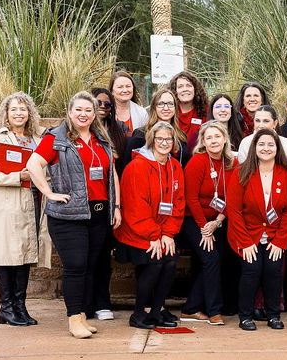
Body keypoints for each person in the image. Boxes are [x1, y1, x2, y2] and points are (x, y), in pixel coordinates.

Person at [27, 91, 120, 339]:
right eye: (78, 109)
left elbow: (111, 175)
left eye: (88, 110)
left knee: (88, 266)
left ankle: (81, 317)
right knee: (75, 266)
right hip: (68, 215)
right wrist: (49, 193)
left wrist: (116, 206)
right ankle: (73, 319)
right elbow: (33, 165)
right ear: (70, 112)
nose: (83, 114)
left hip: (98, 214)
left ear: (94, 114)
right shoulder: (57, 138)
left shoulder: (100, 139)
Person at [0, 92, 51, 327]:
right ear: (6, 114)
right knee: (7, 255)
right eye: (14, 109)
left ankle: (20, 307)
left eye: (23, 109)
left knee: (25, 256)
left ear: (30, 112)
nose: (19, 113)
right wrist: (16, 176)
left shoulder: (38, 138)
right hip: (9, 205)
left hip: (33, 201)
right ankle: (6, 308)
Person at [113, 121, 186, 329]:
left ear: (174, 143)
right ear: (152, 141)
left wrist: (168, 233)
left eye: (168, 139)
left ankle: (155, 311)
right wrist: (154, 235)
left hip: (163, 231)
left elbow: (179, 203)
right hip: (137, 231)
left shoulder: (174, 166)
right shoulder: (137, 166)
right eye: (160, 139)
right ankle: (138, 314)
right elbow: (136, 207)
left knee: (170, 262)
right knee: (156, 262)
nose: (164, 143)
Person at [227, 129, 287, 331]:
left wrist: (279, 241)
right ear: (254, 148)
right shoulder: (240, 173)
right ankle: (245, 316)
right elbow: (233, 211)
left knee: (273, 271)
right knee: (251, 270)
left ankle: (273, 315)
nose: (266, 148)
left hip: (275, 235)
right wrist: (246, 242)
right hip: (247, 234)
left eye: (270, 144)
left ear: (277, 148)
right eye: (261, 144)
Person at [179, 121, 238, 325]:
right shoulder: (198, 161)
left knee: (215, 260)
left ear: (225, 139)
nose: (214, 141)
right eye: (209, 138)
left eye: (217, 136)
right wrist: (205, 228)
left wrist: (217, 222)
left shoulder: (232, 163)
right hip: (192, 219)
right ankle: (214, 311)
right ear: (203, 142)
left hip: (218, 220)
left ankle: (191, 308)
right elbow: (191, 198)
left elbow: (234, 198)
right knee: (211, 258)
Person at [90, 87, 126, 321]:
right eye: (98, 103)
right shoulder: (78, 131)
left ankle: (102, 301)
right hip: (85, 201)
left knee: (103, 255)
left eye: (107, 104)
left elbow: (116, 169)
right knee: (84, 256)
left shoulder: (118, 132)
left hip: (109, 199)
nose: (103, 107)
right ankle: (85, 302)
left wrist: (118, 205)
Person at [124, 88, 190, 170]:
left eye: (170, 104)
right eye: (161, 104)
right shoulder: (141, 135)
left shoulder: (181, 135)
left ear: (175, 108)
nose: (166, 108)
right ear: (154, 107)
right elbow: (129, 167)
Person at [168, 71, 209, 147]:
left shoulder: (206, 111)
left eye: (188, 85)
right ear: (175, 91)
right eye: (180, 86)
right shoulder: (169, 112)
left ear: (195, 89)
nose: (185, 89)